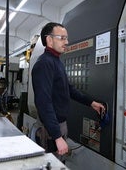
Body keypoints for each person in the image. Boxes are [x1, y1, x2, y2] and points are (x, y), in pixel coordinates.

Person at [32, 22, 105, 157]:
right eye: (62, 38)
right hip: (49, 129)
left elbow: (69, 89)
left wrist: (91, 102)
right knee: (50, 163)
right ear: (49, 40)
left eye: (66, 38)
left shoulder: (57, 62)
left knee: (58, 161)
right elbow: (43, 102)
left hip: (59, 125)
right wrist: (57, 136)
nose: (67, 42)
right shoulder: (44, 64)